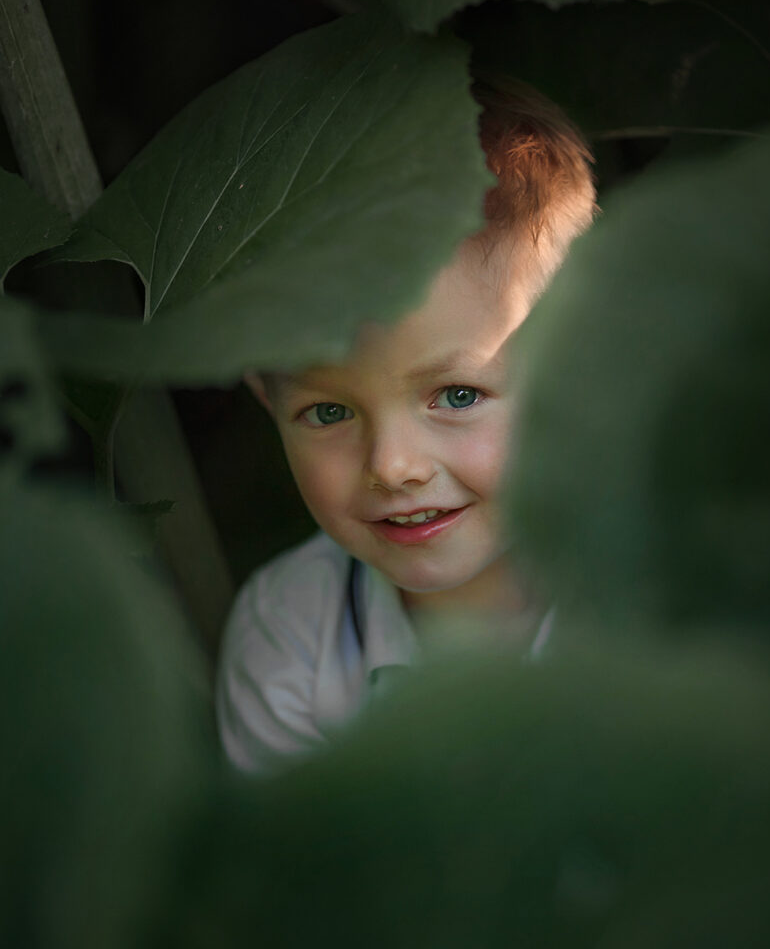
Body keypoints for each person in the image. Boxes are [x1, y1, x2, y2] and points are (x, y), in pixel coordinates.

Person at [216, 77, 596, 774]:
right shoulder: (293, 636)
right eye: (328, 411)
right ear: (267, 402)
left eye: (456, 395)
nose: (393, 466)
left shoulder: (669, 605)